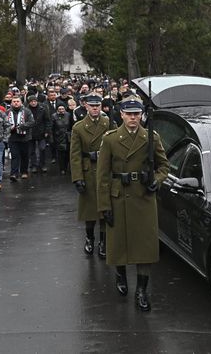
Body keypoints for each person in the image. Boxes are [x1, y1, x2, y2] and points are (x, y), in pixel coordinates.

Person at [96, 96, 169, 311]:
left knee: (143, 246)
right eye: (129, 114)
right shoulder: (110, 139)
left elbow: (164, 166)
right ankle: (120, 273)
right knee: (119, 243)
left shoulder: (151, 138)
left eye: (136, 114)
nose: (133, 118)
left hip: (143, 197)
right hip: (118, 197)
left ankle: (142, 290)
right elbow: (102, 176)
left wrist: (156, 181)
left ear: (141, 115)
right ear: (121, 115)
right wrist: (103, 206)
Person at [70, 94, 116, 259]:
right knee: (89, 211)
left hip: (105, 171)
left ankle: (103, 241)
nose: (95, 108)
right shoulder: (79, 127)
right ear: (86, 106)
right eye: (92, 105)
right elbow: (74, 155)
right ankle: (89, 238)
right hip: (88, 170)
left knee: (105, 209)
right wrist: (77, 178)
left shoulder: (108, 123)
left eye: (97, 105)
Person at [6, 96, 34, 181]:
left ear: (21, 102)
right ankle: (14, 173)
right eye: (14, 101)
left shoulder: (27, 111)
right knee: (15, 156)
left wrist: (21, 126)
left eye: (17, 101)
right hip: (13, 138)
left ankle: (24, 172)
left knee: (24, 155)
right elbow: (4, 123)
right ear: (11, 103)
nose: (16, 103)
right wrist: (10, 127)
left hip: (25, 137)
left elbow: (32, 122)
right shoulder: (8, 112)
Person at [27, 95, 51, 173]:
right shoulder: (26, 110)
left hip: (41, 132)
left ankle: (42, 164)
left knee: (42, 149)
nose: (33, 103)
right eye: (31, 102)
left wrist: (47, 131)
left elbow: (47, 120)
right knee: (32, 150)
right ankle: (34, 165)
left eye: (35, 101)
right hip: (31, 132)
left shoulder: (42, 108)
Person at [50, 105, 71, 175]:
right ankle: (62, 168)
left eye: (63, 108)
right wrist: (52, 138)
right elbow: (51, 127)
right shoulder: (54, 116)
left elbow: (71, 125)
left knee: (68, 153)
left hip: (67, 137)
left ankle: (67, 166)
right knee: (61, 154)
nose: (61, 110)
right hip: (58, 137)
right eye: (60, 109)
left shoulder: (68, 115)